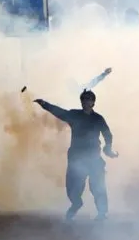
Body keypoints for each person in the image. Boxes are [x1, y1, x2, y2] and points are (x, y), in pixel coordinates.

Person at [34, 90, 119, 221]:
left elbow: (107, 134)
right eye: (84, 99)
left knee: (98, 185)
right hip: (76, 157)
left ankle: (102, 213)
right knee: (72, 186)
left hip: (94, 157)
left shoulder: (98, 119)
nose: (86, 102)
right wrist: (45, 104)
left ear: (93, 102)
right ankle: (76, 203)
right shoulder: (74, 115)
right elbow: (60, 112)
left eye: (89, 99)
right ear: (81, 101)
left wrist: (108, 148)